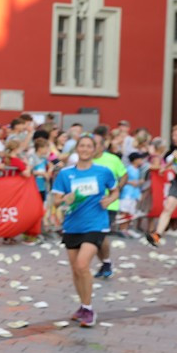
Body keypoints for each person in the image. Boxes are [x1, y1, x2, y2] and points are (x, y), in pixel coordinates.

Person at [51, 135, 119, 328]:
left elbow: (115, 191)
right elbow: (56, 200)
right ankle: (82, 305)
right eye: (82, 146)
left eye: (89, 146)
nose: (85, 149)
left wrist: (110, 200)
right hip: (72, 225)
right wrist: (65, 198)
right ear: (77, 149)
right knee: (75, 270)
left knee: (82, 265)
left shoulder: (103, 172)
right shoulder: (65, 174)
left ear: (94, 150)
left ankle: (89, 309)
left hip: (95, 224)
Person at [91, 129, 127, 278]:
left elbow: (124, 175)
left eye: (95, 145)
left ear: (102, 146)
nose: (91, 148)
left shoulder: (112, 159)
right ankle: (105, 263)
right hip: (89, 205)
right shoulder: (85, 161)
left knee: (100, 233)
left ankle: (105, 263)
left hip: (108, 204)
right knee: (94, 236)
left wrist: (116, 189)